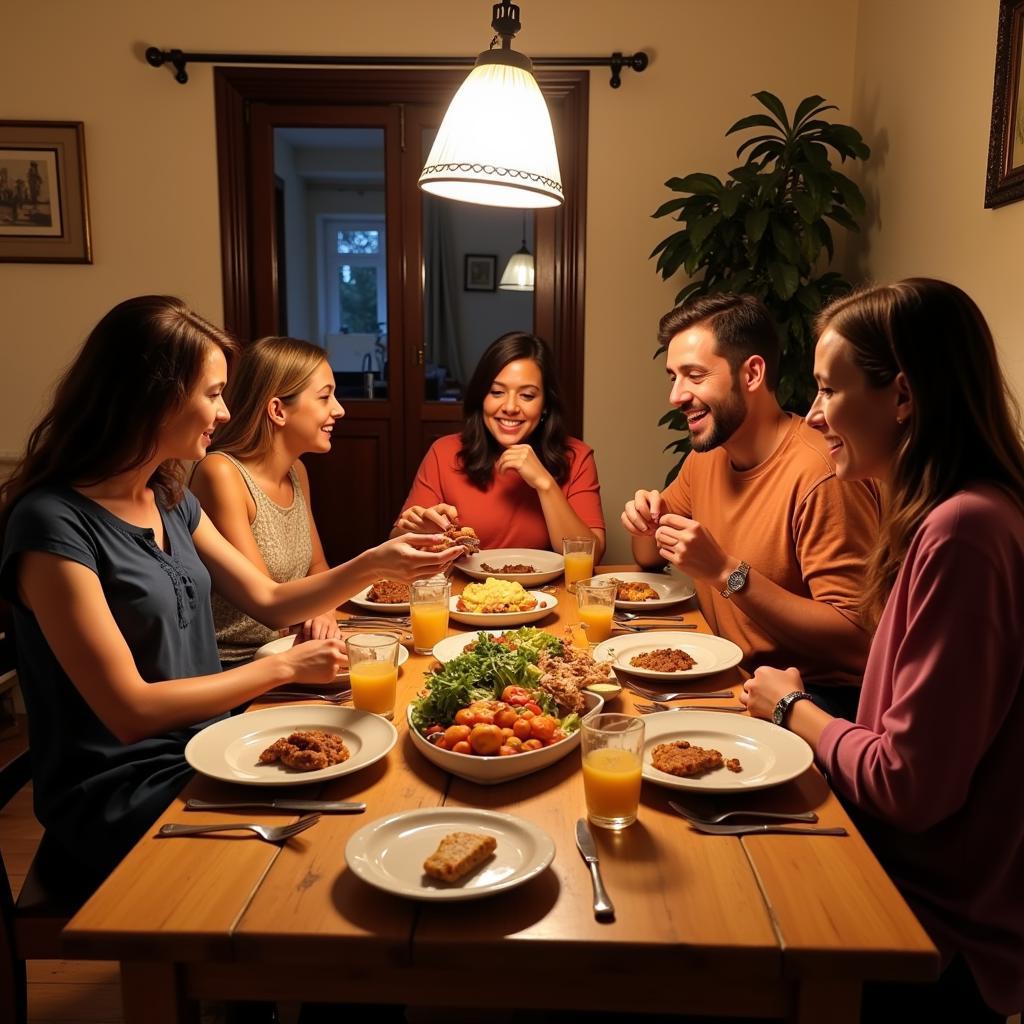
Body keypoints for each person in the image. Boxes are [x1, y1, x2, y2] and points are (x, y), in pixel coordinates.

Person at [0, 296, 464, 895]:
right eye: (212, 393)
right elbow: (129, 710)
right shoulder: (52, 525)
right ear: (152, 396)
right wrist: (283, 669)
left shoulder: (168, 495)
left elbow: (269, 600)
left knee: (377, 784)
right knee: (327, 853)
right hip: (122, 785)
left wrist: (377, 561)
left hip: (211, 745)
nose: (223, 412)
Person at [741, 279, 1024, 1021]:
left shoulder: (966, 533)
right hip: (897, 877)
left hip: (930, 932)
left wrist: (793, 707)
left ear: (902, 397)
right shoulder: (938, 517)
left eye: (830, 390)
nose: (812, 413)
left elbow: (909, 786)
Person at [621, 293, 880, 718]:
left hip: (811, 700)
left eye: (695, 375)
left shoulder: (822, 474)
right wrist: (646, 525)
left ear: (752, 373)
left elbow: (858, 641)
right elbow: (647, 558)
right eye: (672, 377)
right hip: (724, 675)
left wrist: (726, 572)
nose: (676, 395)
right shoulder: (707, 456)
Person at [190, 336, 343, 670]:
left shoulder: (296, 471)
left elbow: (317, 567)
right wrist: (374, 565)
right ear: (277, 410)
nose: (339, 409)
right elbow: (271, 604)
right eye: (325, 397)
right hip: (237, 666)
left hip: (292, 649)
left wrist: (324, 610)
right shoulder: (221, 473)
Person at [395, 331, 606, 558]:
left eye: (527, 395)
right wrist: (420, 532)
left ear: (545, 405)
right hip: (461, 591)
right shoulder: (444, 452)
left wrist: (544, 484)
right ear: (481, 397)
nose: (510, 407)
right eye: (497, 392)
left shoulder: (576, 456)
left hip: (548, 593)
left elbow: (590, 557)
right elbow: (396, 545)